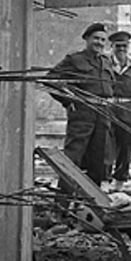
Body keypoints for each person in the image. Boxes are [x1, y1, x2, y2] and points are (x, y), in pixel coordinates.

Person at [48, 22, 115, 186]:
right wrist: (67, 101)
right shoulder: (75, 59)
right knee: (73, 156)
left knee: (98, 160)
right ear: (86, 39)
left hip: (103, 114)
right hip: (82, 114)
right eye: (96, 38)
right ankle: (64, 204)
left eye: (102, 40)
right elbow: (50, 80)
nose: (99, 42)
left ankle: (91, 203)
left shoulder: (106, 62)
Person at [108, 30, 131, 191]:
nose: (121, 49)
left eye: (124, 46)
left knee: (126, 148)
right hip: (108, 110)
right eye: (118, 46)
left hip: (127, 112)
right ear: (112, 46)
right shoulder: (105, 65)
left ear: (128, 47)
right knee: (106, 147)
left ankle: (119, 183)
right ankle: (104, 181)